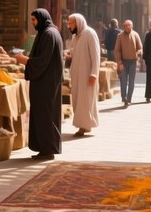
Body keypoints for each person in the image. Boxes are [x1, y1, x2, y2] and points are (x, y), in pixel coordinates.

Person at [15, 8, 63, 159]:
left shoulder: (49, 34)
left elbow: (43, 61)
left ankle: (48, 150)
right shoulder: (47, 32)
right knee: (43, 115)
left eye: (34, 20)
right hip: (45, 82)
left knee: (46, 116)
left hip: (46, 83)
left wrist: (25, 60)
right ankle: (44, 148)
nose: (33, 23)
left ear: (41, 19)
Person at [65, 13, 100, 136]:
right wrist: (68, 56)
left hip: (87, 75)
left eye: (71, 23)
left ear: (78, 22)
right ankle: (84, 125)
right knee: (77, 99)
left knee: (85, 100)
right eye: (68, 24)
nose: (69, 26)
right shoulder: (76, 37)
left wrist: (94, 74)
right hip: (76, 74)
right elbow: (74, 53)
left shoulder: (89, 33)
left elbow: (96, 56)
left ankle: (84, 126)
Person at [114, 19, 142, 107]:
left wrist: (138, 53)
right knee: (123, 80)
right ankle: (124, 97)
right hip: (123, 62)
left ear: (132, 26)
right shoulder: (120, 36)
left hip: (133, 62)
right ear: (123, 27)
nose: (127, 27)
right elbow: (117, 50)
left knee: (131, 81)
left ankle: (129, 98)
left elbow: (140, 47)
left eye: (129, 25)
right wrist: (119, 62)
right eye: (126, 26)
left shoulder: (136, 35)